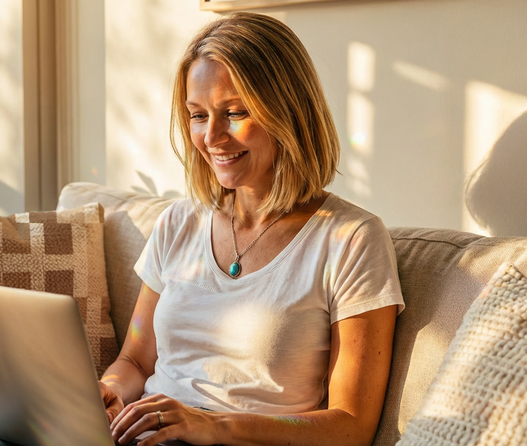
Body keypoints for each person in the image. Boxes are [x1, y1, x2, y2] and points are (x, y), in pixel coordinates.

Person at [99, 12, 404, 446]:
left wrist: (213, 425)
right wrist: (108, 390)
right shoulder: (179, 222)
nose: (212, 137)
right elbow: (134, 359)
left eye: (235, 112)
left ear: (289, 112)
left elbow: (350, 426)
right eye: (198, 115)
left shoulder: (351, 239)